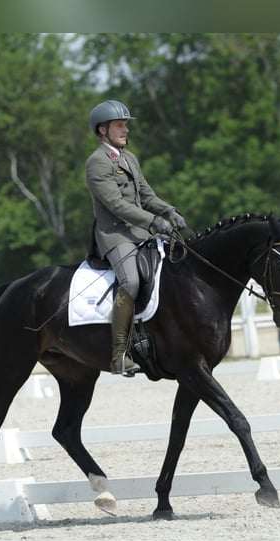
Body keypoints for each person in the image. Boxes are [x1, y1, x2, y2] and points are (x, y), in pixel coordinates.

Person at [86, 99, 186, 376]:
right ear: (102, 130)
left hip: (139, 231)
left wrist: (169, 211)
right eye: (119, 125)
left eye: (125, 125)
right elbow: (116, 205)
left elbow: (147, 196)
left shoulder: (129, 158)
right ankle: (119, 354)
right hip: (115, 234)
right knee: (131, 281)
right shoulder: (97, 163)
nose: (125, 130)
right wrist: (154, 221)